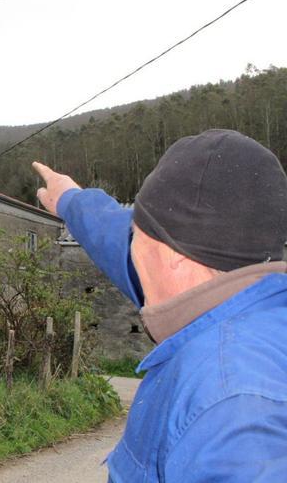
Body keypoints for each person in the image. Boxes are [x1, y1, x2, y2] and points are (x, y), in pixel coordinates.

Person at [32, 129, 287, 482]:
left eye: (136, 234)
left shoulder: (234, 408)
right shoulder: (239, 300)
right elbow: (114, 237)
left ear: (174, 259)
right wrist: (70, 200)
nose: (130, 246)